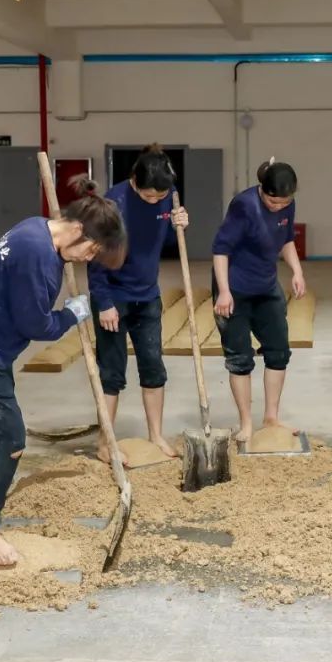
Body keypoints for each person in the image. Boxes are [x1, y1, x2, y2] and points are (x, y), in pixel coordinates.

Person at [0, 192, 126, 566]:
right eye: (91, 250)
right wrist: (71, 314)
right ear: (78, 228)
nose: (88, 259)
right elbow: (36, 325)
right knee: (8, 439)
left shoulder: (34, 228)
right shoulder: (37, 255)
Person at [87, 145, 189, 459]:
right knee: (112, 373)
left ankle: (156, 436)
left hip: (148, 296)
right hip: (114, 298)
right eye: (148, 196)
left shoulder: (168, 195)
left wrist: (177, 224)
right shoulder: (112, 205)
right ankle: (105, 442)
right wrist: (104, 302)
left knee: (153, 368)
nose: (155, 200)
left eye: (160, 196)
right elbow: (95, 259)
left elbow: (164, 241)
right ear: (134, 180)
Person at [212, 158, 306, 443]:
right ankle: (246, 423)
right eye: (272, 201)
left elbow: (286, 239)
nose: (278, 207)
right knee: (240, 358)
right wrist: (224, 291)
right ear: (262, 189)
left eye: (284, 202)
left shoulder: (287, 204)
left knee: (279, 352)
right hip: (235, 288)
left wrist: (297, 271)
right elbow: (221, 250)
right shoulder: (244, 205)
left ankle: (271, 418)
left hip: (266, 286)